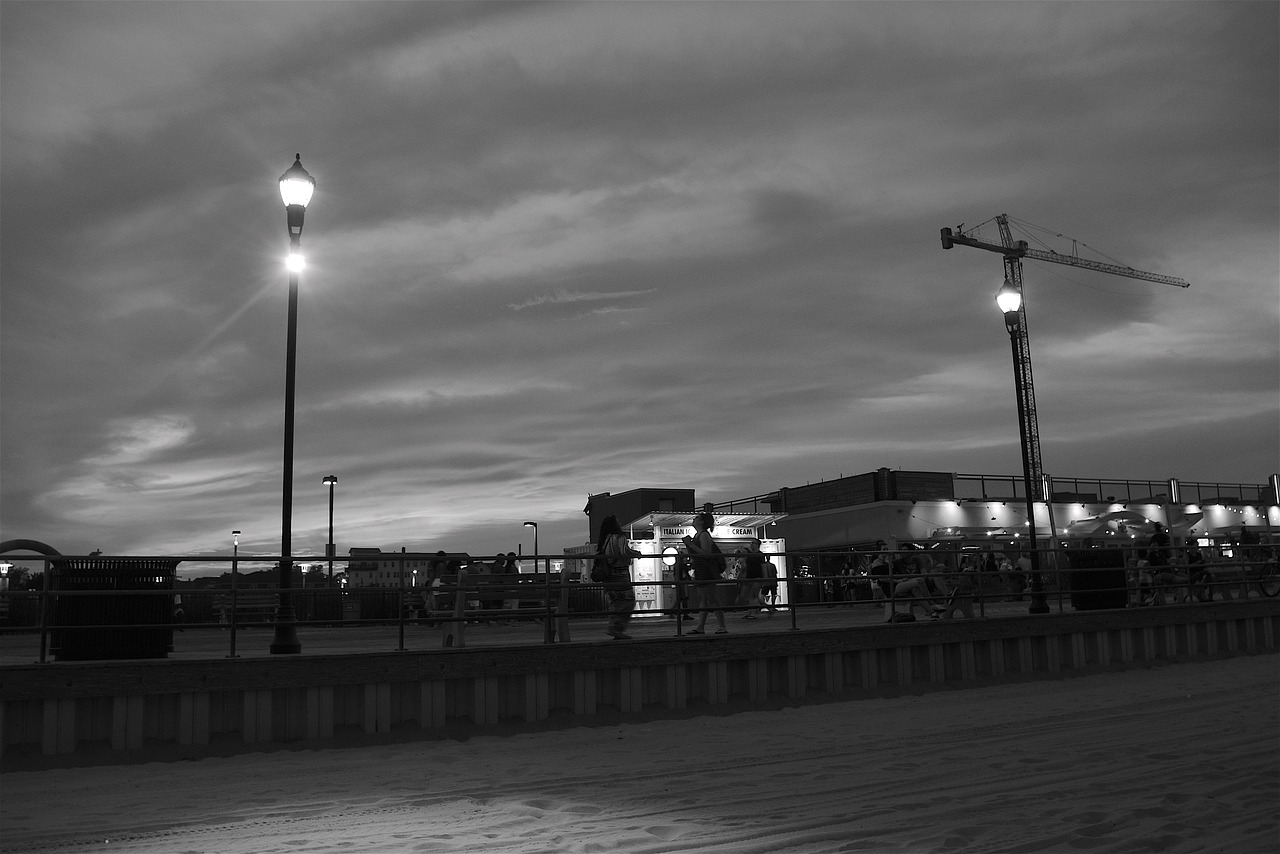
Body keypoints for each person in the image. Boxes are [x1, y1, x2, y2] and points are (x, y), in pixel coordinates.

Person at [597, 515, 642, 640]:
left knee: (616, 603)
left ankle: (614, 628)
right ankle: (616, 629)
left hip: (608, 576)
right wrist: (636, 553)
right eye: (618, 521)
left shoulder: (605, 539)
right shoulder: (620, 537)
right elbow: (624, 552)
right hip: (620, 575)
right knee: (628, 601)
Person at [683, 512, 728, 634]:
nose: (694, 519)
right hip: (701, 569)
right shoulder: (699, 535)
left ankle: (721, 626)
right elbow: (696, 554)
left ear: (702, 522)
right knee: (704, 598)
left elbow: (706, 554)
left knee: (710, 598)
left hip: (706, 569)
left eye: (697, 518)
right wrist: (689, 545)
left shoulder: (703, 535)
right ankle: (701, 626)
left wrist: (690, 544)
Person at [737, 538, 766, 618]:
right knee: (748, 595)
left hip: (757, 577)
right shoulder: (750, 555)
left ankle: (752, 613)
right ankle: (753, 612)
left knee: (753, 595)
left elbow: (762, 567)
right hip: (750, 577)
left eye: (752, 543)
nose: (751, 544)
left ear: (757, 545)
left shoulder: (759, 555)